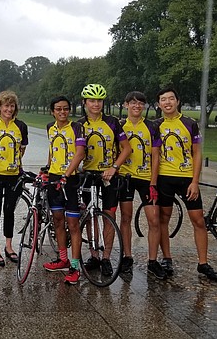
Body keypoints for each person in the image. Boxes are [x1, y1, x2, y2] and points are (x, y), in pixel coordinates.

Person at [155, 87, 217, 281]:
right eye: (163, 99)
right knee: (163, 219)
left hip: (186, 178)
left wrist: (195, 181)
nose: (167, 102)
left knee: (198, 220)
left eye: (171, 99)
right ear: (159, 104)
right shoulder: (155, 125)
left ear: (177, 101)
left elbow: (197, 153)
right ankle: (167, 258)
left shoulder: (190, 123)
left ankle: (203, 263)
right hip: (164, 178)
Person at [75, 84, 132, 277]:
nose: (96, 104)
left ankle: (106, 257)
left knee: (109, 215)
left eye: (99, 100)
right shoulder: (78, 124)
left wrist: (114, 167)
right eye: (92, 100)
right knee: (90, 216)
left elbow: (126, 149)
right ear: (84, 103)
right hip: (88, 175)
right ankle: (94, 255)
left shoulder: (113, 122)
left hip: (109, 175)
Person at [117, 91, 166, 279]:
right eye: (133, 103)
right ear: (126, 105)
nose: (137, 106)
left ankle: (152, 261)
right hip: (125, 177)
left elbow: (156, 156)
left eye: (141, 103)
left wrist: (153, 182)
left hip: (146, 179)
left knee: (154, 219)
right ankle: (127, 257)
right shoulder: (120, 125)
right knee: (126, 218)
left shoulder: (152, 126)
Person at [41, 96, 86, 284]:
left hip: (70, 179)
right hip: (54, 177)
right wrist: (47, 167)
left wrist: (66, 175)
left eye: (65, 109)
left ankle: (74, 266)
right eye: (58, 109)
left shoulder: (76, 127)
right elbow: (53, 149)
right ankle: (62, 259)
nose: (62, 112)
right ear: (53, 111)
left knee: (73, 224)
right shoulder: (50, 127)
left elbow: (80, 152)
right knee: (57, 221)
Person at [0, 90, 28, 266]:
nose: (9, 109)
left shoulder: (21, 126)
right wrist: (0, 163)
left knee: (9, 210)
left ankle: (9, 246)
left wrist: (14, 162)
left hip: (14, 176)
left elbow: (22, 149)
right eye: (6, 106)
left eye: (11, 106)